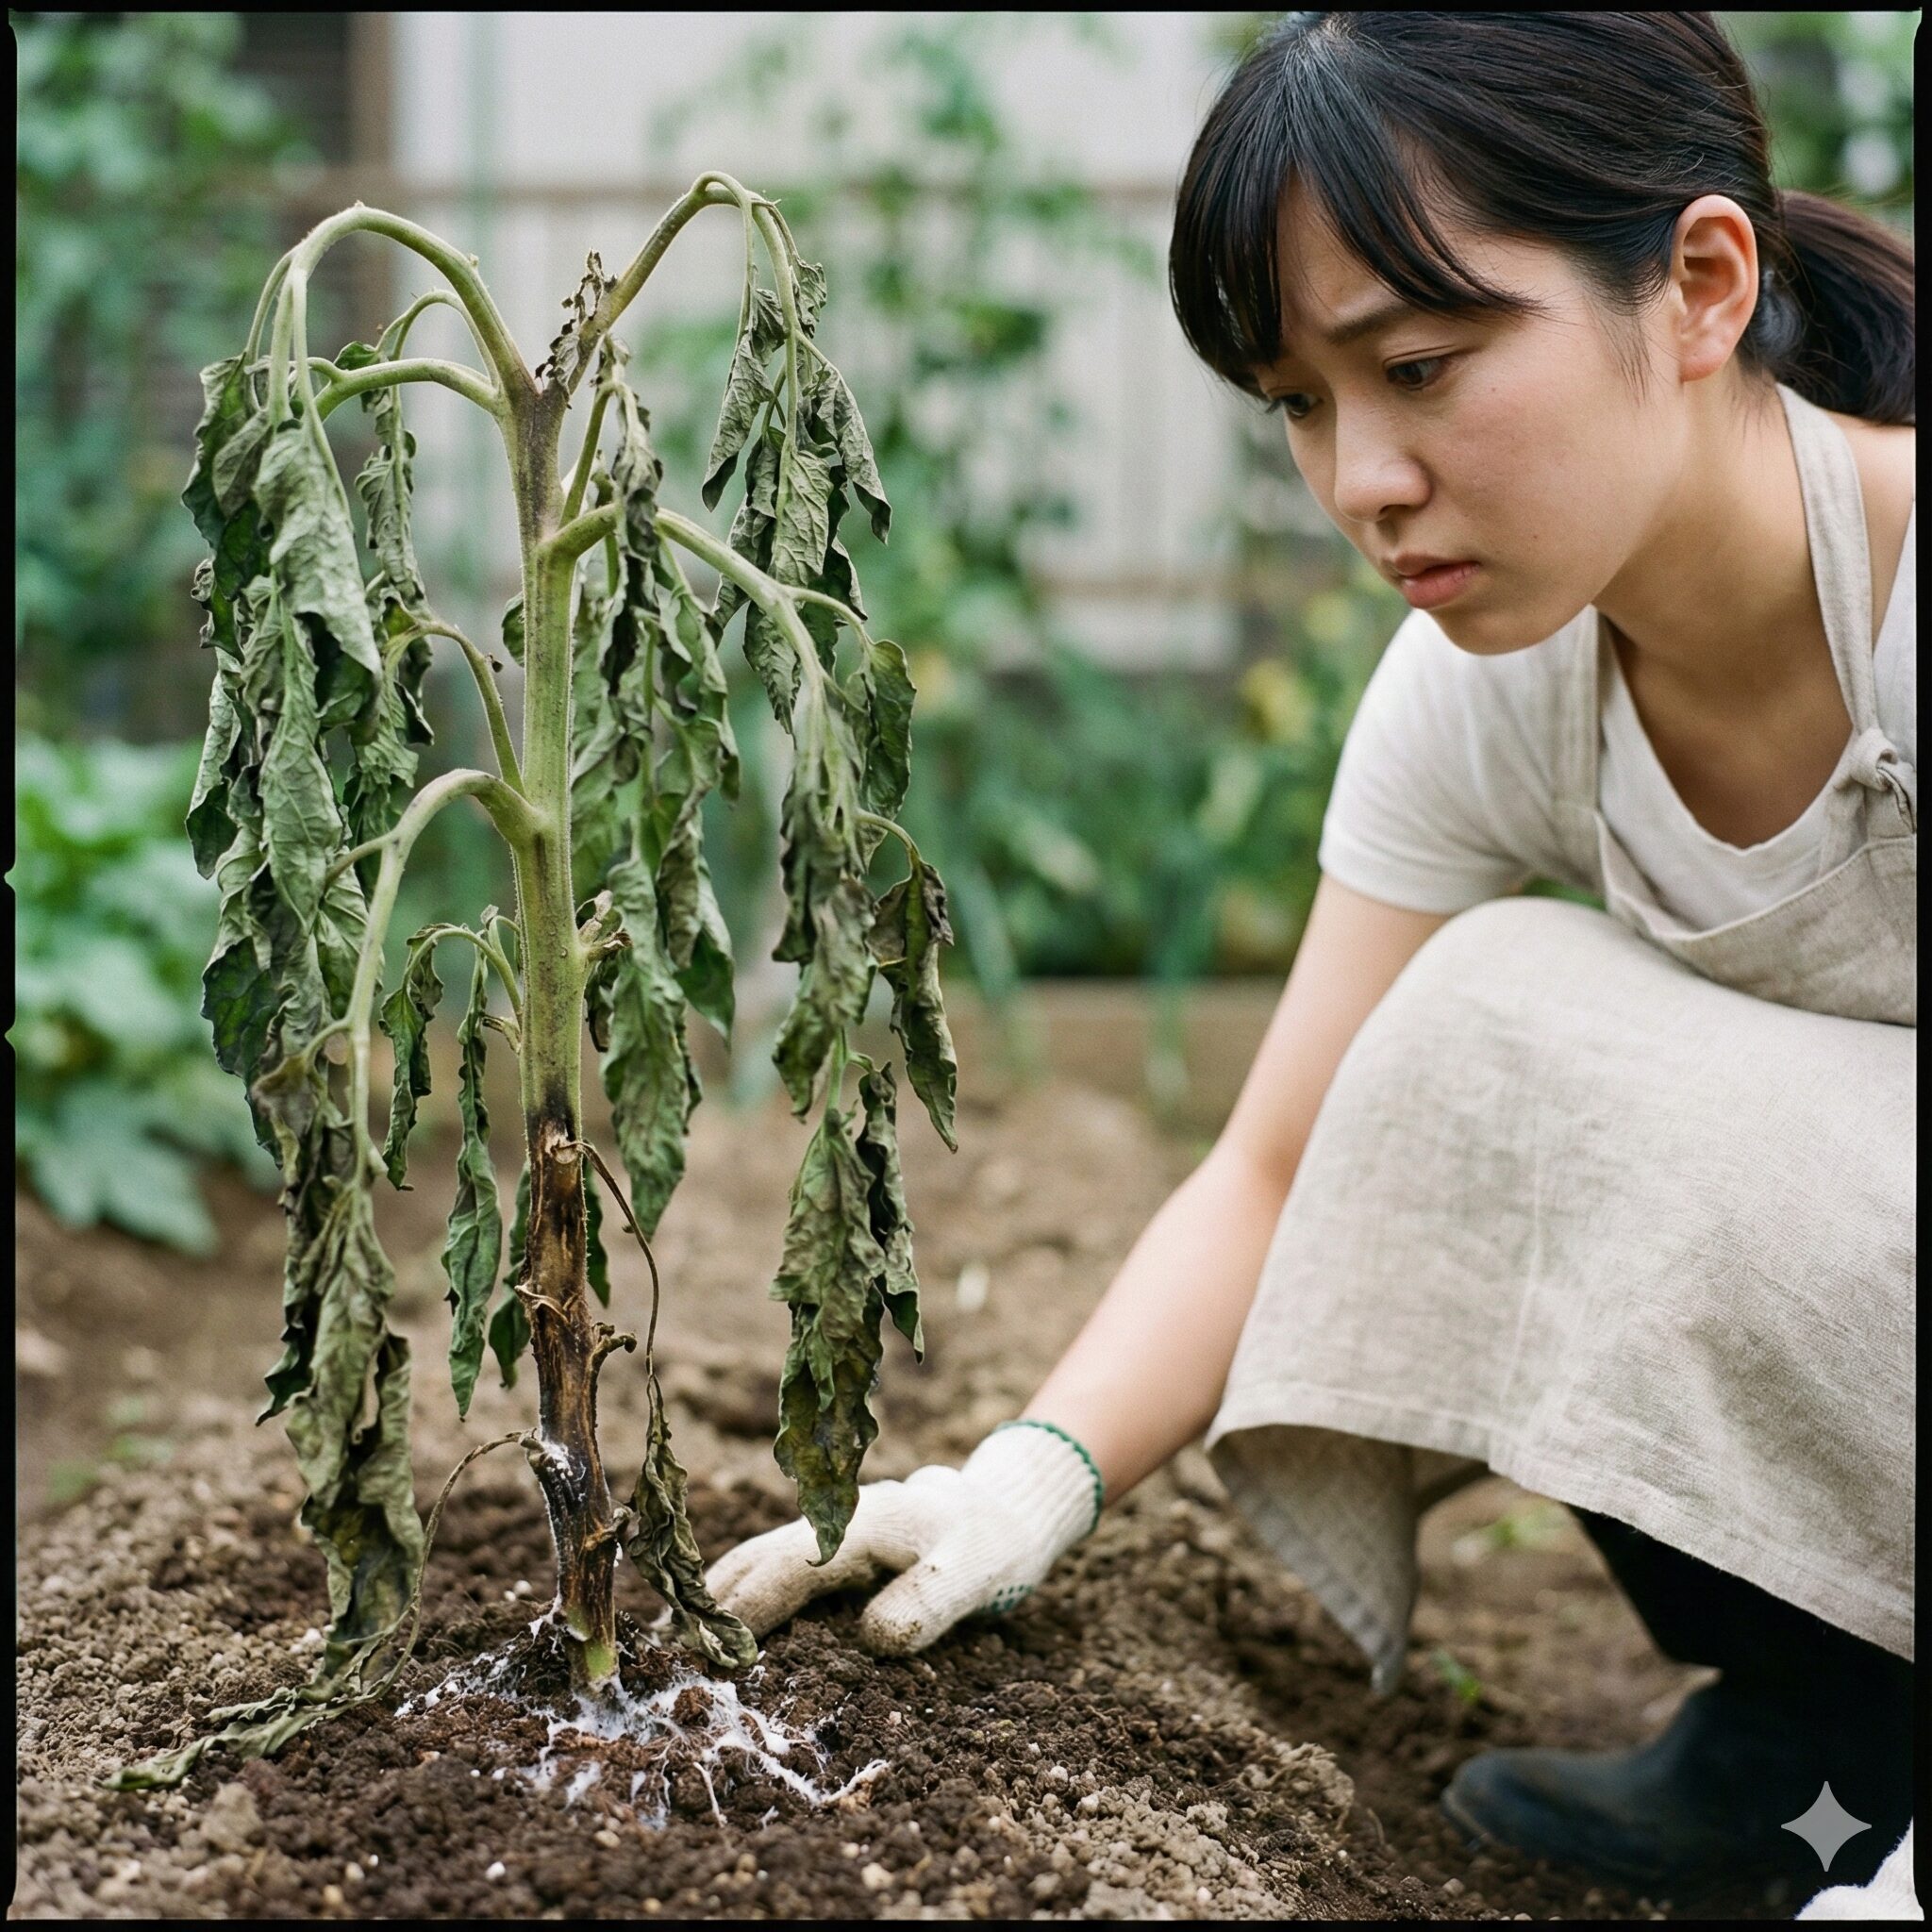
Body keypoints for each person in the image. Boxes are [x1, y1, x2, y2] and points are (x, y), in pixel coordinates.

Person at [707, 12, 1916, 1913]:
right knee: (1481, 1036)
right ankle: (1826, 1744)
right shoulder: (1492, 684)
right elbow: (1281, 1158)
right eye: (1295, 401)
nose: (1360, 477)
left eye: (1422, 367)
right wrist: (1031, 1474)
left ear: (1696, 286)